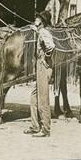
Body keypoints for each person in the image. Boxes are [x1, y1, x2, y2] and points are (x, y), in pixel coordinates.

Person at [24, 10, 55, 138]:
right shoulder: (40, 31)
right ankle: (35, 126)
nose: (36, 18)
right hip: (40, 66)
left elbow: (51, 46)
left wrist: (44, 58)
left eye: (38, 17)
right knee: (33, 98)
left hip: (43, 67)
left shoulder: (43, 32)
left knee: (43, 99)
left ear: (42, 21)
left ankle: (46, 129)